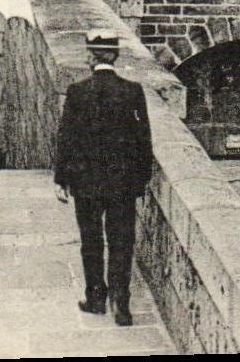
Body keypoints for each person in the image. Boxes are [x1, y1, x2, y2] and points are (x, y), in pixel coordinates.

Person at [54, 30, 154, 326]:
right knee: (122, 241)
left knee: (91, 240)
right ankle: (121, 305)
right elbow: (143, 140)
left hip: (86, 182)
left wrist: (61, 178)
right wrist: (142, 179)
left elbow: (67, 138)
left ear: (91, 56)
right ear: (115, 56)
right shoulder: (133, 91)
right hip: (122, 183)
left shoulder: (78, 91)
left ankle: (96, 297)